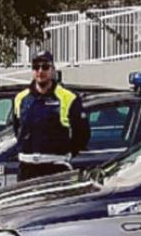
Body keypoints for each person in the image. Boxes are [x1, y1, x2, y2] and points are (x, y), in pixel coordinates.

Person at [9, 52, 87, 182]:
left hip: (56, 168)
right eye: (36, 67)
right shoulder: (21, 98)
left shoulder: (69, 98)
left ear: (53, 70)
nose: (40, 71)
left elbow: (82, 135)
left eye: (45, 67)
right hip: (26, 170)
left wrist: (65, 153)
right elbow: (18, 129)